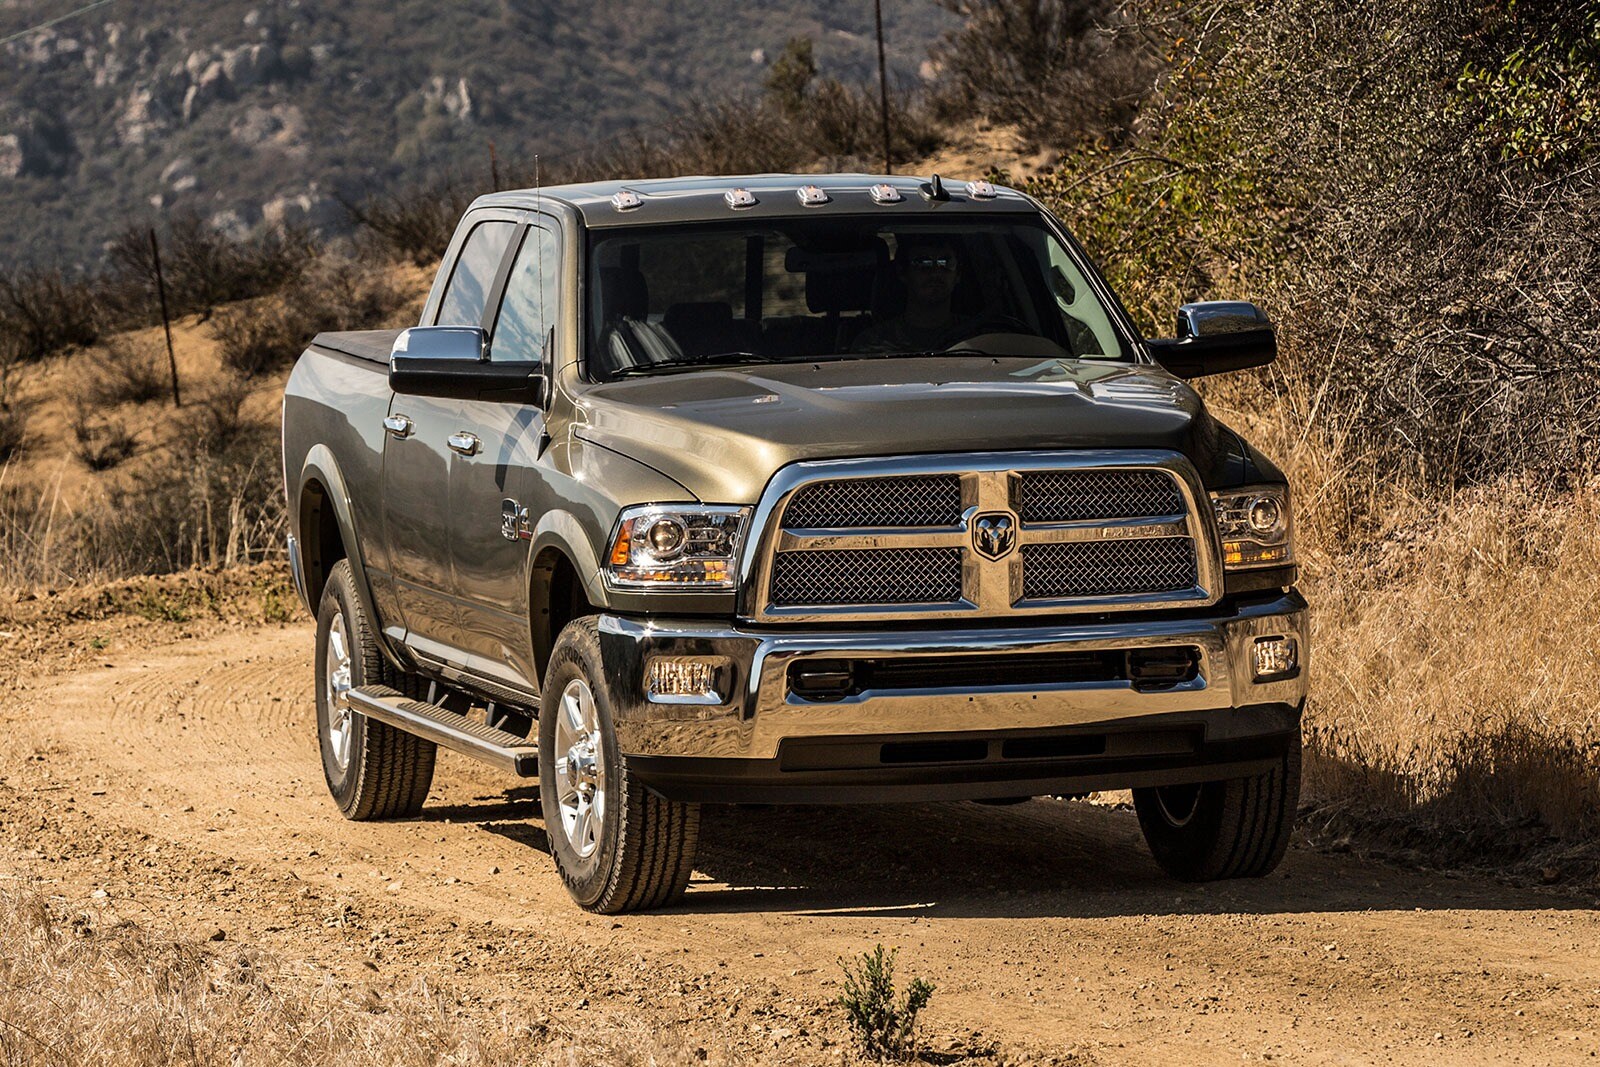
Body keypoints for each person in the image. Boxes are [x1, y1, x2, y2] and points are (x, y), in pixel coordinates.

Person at [851, 236, 980, 354]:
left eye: (945, 263)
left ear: (958, 274)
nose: (935, 273)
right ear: (903, 273)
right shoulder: (874, 344)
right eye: (923, 263)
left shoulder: (977, 338)